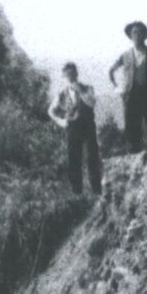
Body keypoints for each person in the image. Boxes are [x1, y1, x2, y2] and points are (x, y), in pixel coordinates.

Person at [109, 20, 147, 151]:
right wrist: (118, 88)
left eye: (139, 32)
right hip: (131, 96)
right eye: (134, 33)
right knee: (132, 130)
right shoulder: (125, 56)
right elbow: (111, 71)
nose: (136, 35)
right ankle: (134, 158)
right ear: (130, 36)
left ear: (144, 35)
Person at [47, 61, 101, 194]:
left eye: (72, 74)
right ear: (64, 77)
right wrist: (61, 122)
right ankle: (77, 192)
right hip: (72, 127)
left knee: (92, 156)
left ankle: (96, 190)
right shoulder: (62, 94)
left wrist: (80, 91)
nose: (70, 77)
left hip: (88, 125)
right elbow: (51, 111)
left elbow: (92, 103)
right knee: (74, 158)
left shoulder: (88, 88)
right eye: (67, 75)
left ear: (76, 74)